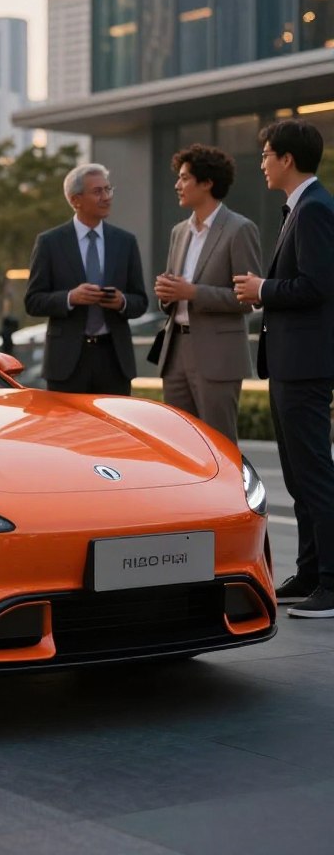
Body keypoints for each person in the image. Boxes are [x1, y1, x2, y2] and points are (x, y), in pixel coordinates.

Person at [234, 119, 334, 618]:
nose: (263, 162)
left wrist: (262, 290)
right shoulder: (301, 208)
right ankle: (312, 573)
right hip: (291, 362)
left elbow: (317, 286)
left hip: (306, 364)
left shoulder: (315, 209)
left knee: (315, 473)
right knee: (298, 475)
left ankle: (331, 584)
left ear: (287, 159)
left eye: (267, 154)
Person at [153, 144, 262, 443]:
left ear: (207, 183)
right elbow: (174, 295)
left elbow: (248, 299)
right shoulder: (179, 231)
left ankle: (230, 493)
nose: (178, 185)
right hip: (175, 353)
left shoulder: (240, 229)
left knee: (219, 443)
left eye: (185, 178)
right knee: (179, 444)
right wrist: (167, 293)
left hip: (218, 355)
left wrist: (193, 292)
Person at [25, 162, 148, 395]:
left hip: (114, 360)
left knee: (114, 429)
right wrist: (71, 297)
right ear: (75, 200)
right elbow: (33, 301)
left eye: (108, 189)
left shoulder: (125, 242)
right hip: (67, 362)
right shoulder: (50, 243)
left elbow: (140, 301)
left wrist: (121, 302)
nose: (106, 197)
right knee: (69, 431)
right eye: (97, 191)